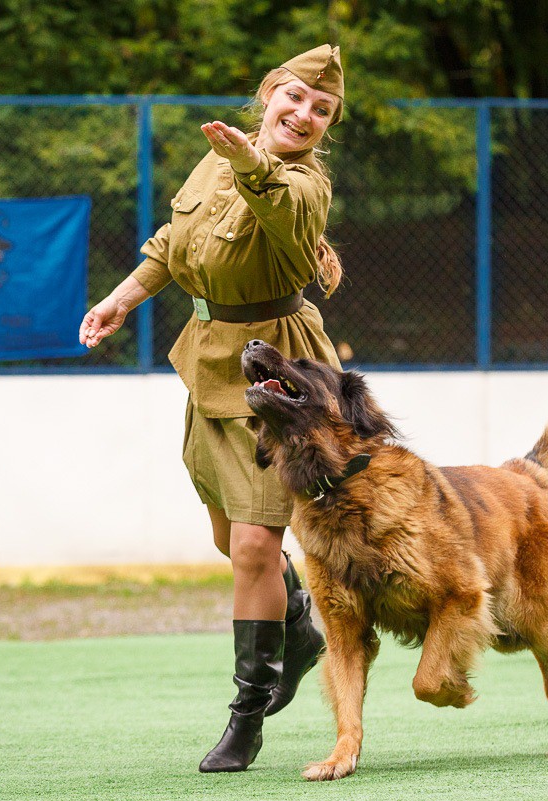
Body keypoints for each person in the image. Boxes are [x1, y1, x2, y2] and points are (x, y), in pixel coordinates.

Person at [78, 44, 346, 773]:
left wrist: (249, 161)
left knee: (258, 547)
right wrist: (120, 299)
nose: (306, 115)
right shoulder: (214, 159)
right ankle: (296, 623)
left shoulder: (305, 184)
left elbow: (280, 204)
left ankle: (248, 711)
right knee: (232, 541)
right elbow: (172, 244)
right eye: (295, 98)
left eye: (321, 111)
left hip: (277, 380)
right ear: (268, 95)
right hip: (209, 361)